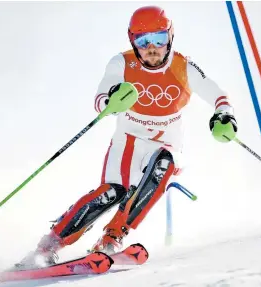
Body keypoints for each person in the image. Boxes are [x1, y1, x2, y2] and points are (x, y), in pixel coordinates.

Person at [15, 5, 237, 269]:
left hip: (168, 141)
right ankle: (48, 247)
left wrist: (224, 114)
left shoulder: (183, 67)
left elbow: (218, 94)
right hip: (129, 140)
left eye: (159, 39)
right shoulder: (121, 63)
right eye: (143, 41)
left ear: (170, 38)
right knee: (112, 193)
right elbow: (101, 99)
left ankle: (112, 237)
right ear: (133, 41)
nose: (152, 48)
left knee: (163, 164)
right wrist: (111, 100)